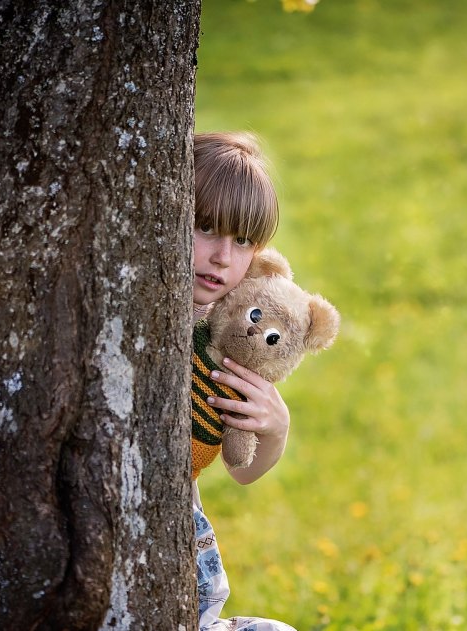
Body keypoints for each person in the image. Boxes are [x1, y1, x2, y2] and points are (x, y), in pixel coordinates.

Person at [191, 131, 296, 631]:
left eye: (242, 240)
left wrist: (275, 428)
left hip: (191, 572)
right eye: (205, 227)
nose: (221, 257)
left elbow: (243, 472)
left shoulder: (231, 332)